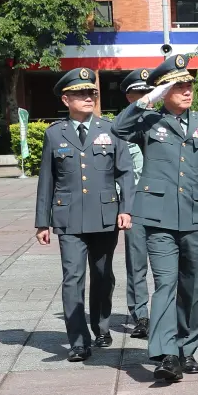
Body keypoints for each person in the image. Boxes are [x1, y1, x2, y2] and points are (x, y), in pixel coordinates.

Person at [113, 55, 198, 381]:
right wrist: (144, 102)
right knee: (165, 283)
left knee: (193, 285)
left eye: (189, 84)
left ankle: (187, 347)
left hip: (195, 216)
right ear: (163, 90)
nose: (186, 90)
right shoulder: (149, 121)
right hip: (157, 217)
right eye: (177, 85)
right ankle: (166, 354)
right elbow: (117, 129)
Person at [35, 68, 134, 362]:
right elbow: (46, 181)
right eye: (81, 93)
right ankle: (78, 341)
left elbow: (125, 172)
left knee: (103, 276)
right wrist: (42, 222)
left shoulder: (111, 130)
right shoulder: (55, 134)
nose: (89, 98)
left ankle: (101, 325)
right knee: (72, 278)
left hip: (105, 216)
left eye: (92, 93)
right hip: (69, 219)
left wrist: (127, 208)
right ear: (66, 99)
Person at [119, 69, 153, 340]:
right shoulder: (120, 129)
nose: (145, 98)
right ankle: (140, 315)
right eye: (139, 94)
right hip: (136, 204)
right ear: (129, 96)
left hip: (164, 203)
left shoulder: (162, 123)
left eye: (148, 93)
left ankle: (167, 312)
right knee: (136, 264)